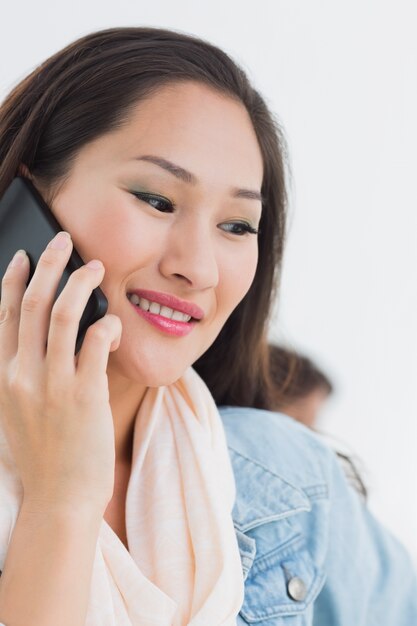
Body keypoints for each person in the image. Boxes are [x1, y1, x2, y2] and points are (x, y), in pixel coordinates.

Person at [0, 26, 415, 626]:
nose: (196, 268)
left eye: (238, 226)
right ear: (24, 198)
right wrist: (60, 502)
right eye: (156, 199)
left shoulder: (285, 486)